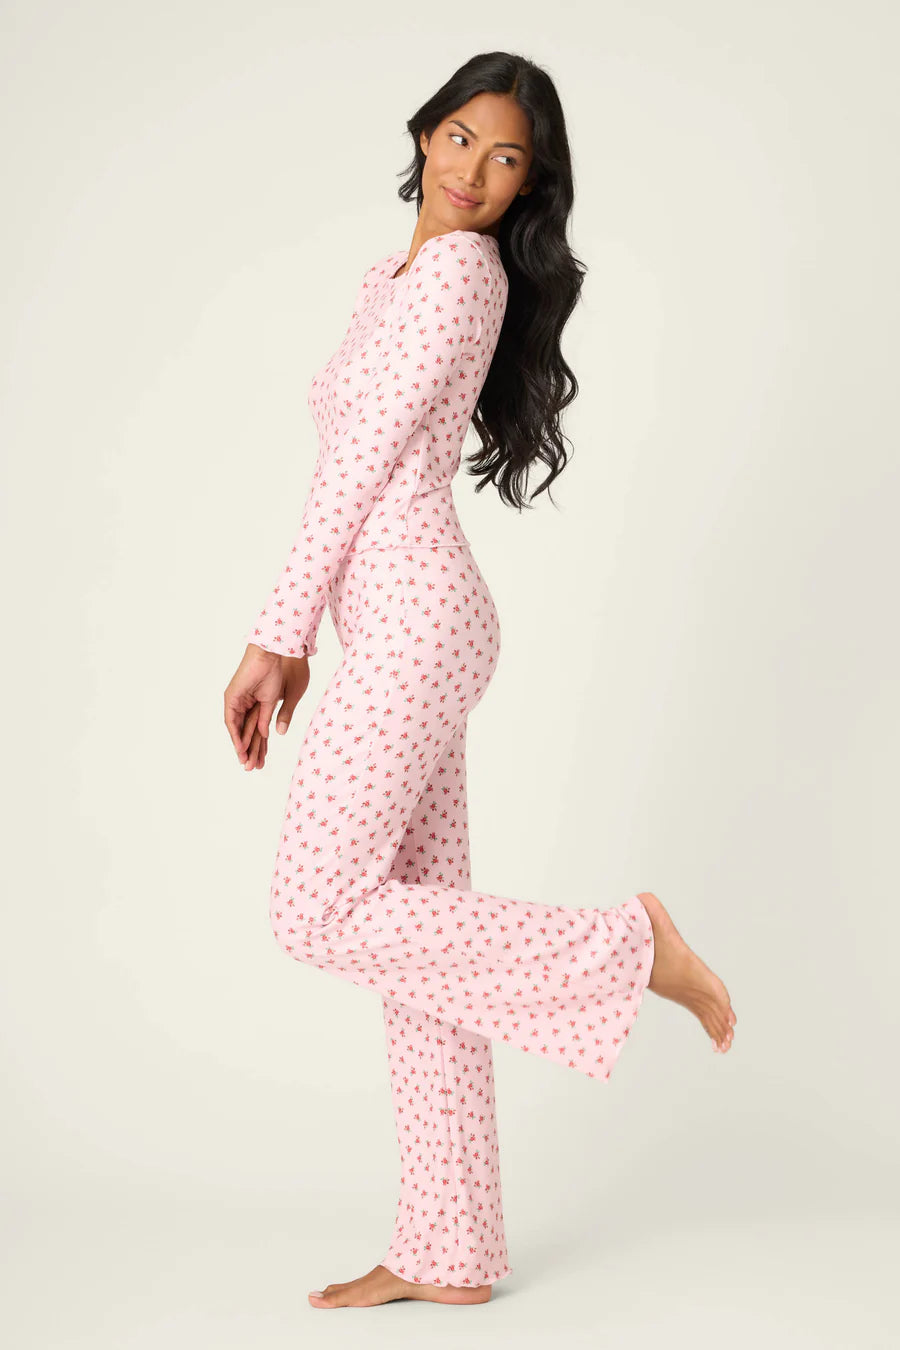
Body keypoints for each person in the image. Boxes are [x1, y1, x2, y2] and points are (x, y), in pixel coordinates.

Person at [224, 53, 736, 1311]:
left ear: (527, 186)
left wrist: (278, 633)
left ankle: (632, 947)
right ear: (424, 134)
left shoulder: (461, 274)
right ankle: (448, 1248)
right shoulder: (393, 280)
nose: (473, 171)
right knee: (420, 944)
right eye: (461, 138)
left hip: (413, 622)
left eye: (508, 159)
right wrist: (308, 633)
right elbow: (358, 456)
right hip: (405, 623)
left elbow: (356, 469)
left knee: (315, 910)